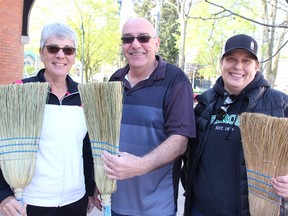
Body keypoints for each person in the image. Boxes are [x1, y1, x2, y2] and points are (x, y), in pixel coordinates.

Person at [94, 17, 196, 216]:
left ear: (156, 43)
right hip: (114, 203)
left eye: (143, 38)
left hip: (156, 207)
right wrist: (99, 177)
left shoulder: (175, 80)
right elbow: (104, 134)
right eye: (127, 39)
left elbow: (181, 140)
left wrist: (142, 165)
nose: (135, 44)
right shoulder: (114, 80)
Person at [182, 34, 288, 216]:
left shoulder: (279, 104)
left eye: (246, 61)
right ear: (221, 63)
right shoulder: (204, 103)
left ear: (256, 66)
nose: (238, 66)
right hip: (199, 210)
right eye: (231, 59)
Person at [0, 22, 96, 216]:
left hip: (75, 202)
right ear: (41, 52)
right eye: (53, 48)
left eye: (68, 50)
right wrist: (3, 194)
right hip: (30, 204)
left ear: (74, 56)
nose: (61, 55)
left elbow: (86, 149)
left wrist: (90, 190)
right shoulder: (20, 91)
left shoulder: (84, 96)